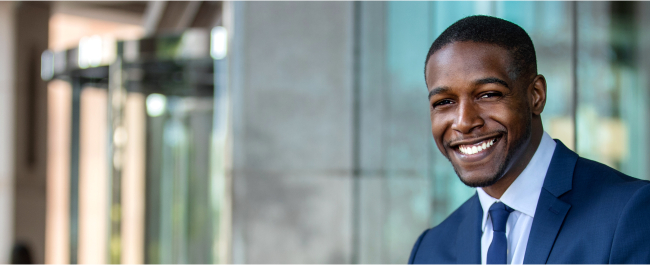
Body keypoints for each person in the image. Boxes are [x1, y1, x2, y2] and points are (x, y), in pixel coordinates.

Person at [408, 15, 650, 264]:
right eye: (444, 102)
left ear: (536, 95)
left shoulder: (630, 212)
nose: (464, 122)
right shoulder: (429, 250)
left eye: (488, 94)